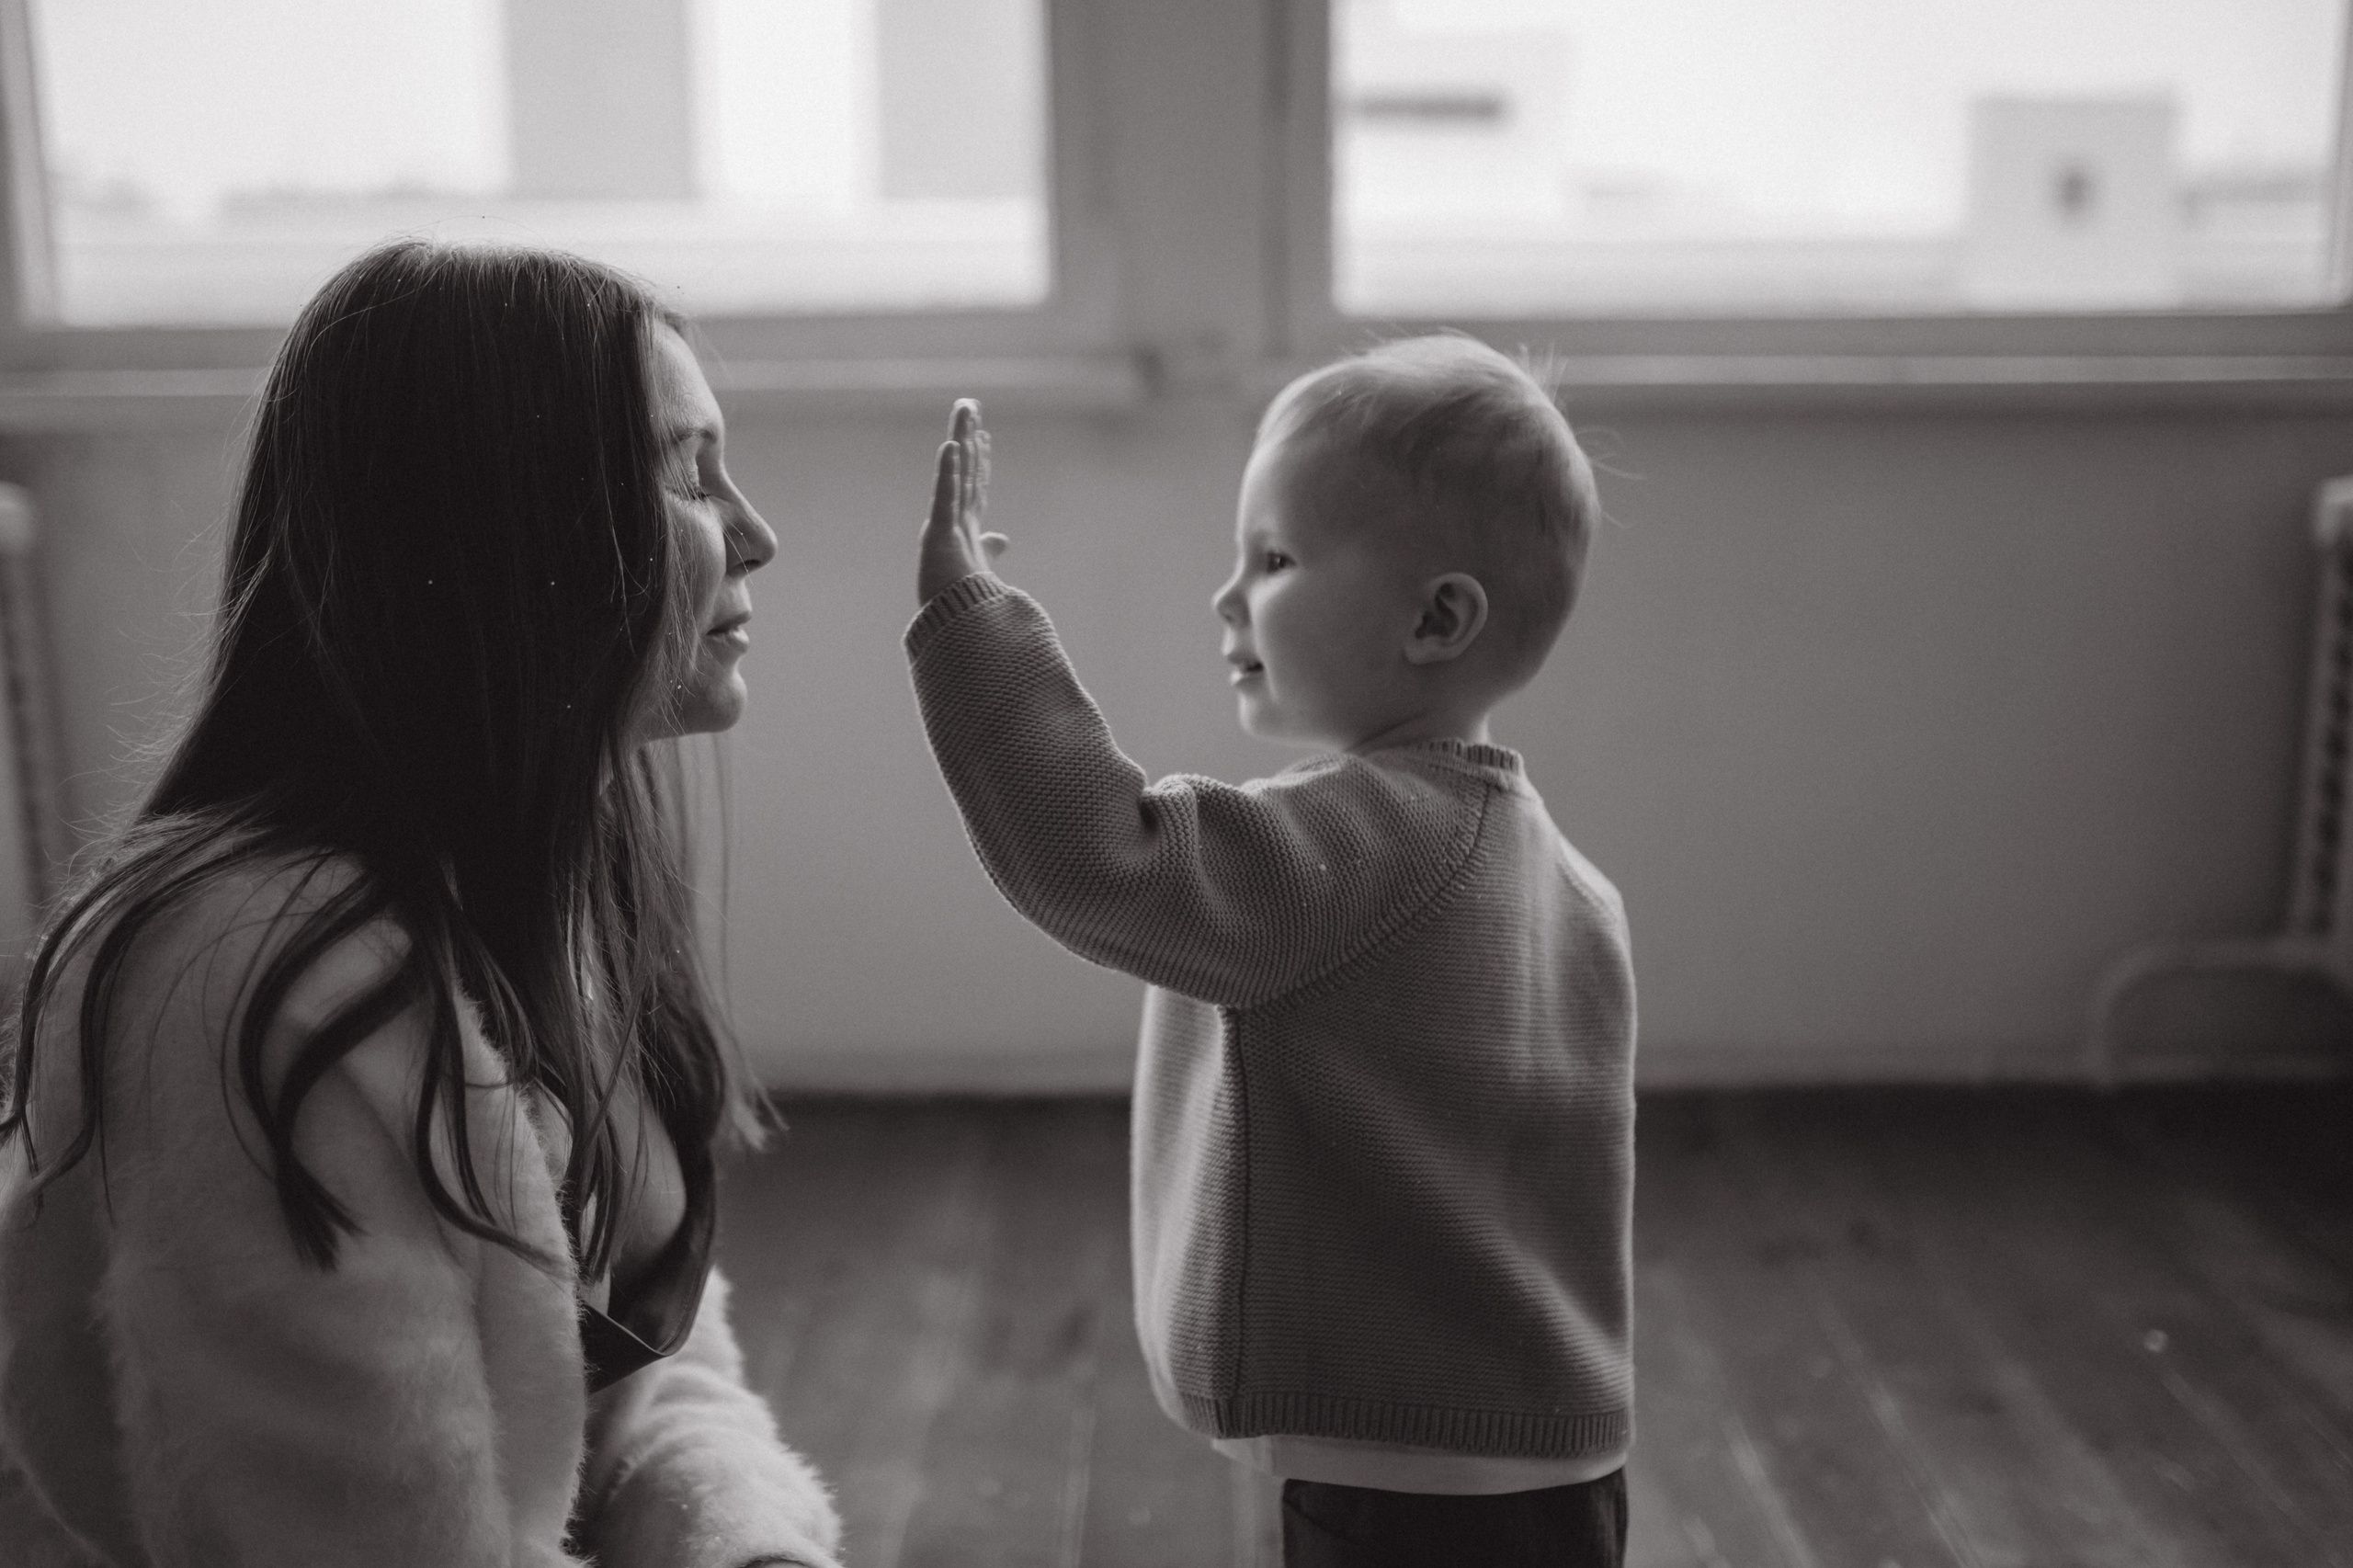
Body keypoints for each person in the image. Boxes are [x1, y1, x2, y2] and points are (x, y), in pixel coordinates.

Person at [0, 241, 842, 1568]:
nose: (756, 533)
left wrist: (741, 1544)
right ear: (512, 527)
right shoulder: (254, 984)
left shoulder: (559, 863)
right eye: (686, 471)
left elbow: (633, 1379)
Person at [905, 335, 1636, 1568]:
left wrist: (970, 621)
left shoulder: (1364, 847)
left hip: (1408, 1482)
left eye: (1277, 558)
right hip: (1553, 1455)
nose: (1227, 594)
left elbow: (1100, 854)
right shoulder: (1571, 883)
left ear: (1437, 616)